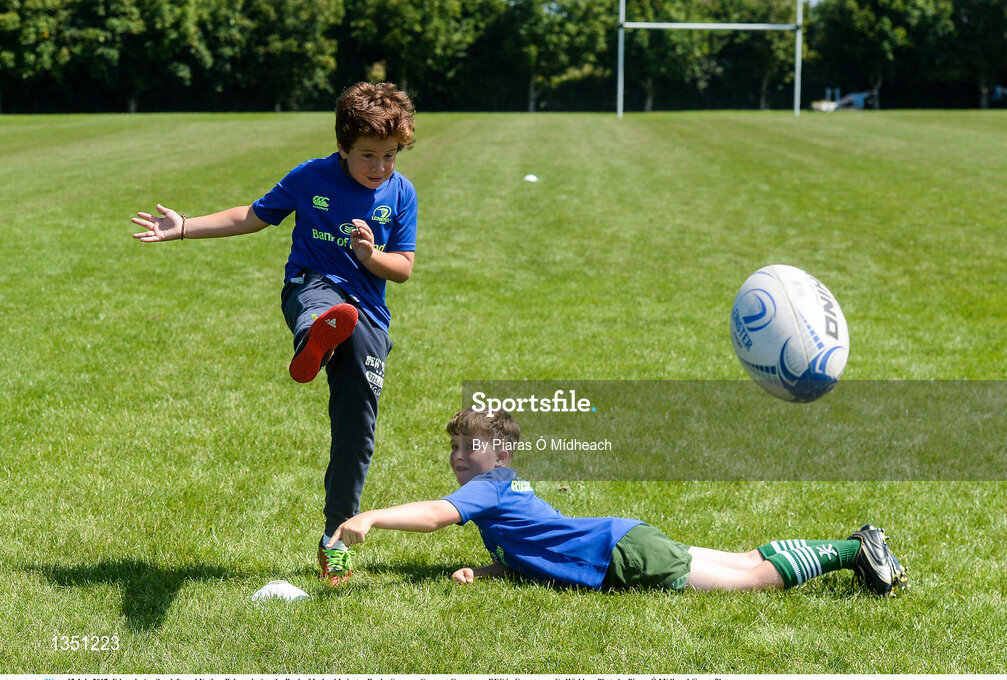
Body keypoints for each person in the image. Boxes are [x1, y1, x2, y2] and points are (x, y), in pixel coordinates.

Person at [131, 82, 418, 586]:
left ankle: (336, 536)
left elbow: (404, 268)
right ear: (342, 148)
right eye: (367, 155)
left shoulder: (401, 193)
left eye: (389, 156)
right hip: (311, 285)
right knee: (321, 304)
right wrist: (183, 226)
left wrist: (371, 256)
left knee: (357, 432)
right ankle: (314, 337)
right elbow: (253, 216)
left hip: (369, 314)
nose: (378, 167)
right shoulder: (311, 176)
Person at [328, 408, 909, 596]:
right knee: (740, 559)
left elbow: (435, 515)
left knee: (747, 579)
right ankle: (855, 545)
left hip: (622, 555)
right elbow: (538, 541)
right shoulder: (503, 494)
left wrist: (372, 516)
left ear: (499, 456)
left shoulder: (485, 489)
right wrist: (488, 568)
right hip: (623, 538)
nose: (459, 456)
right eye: (454, 447)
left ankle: (852, 551)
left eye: (470, 447)